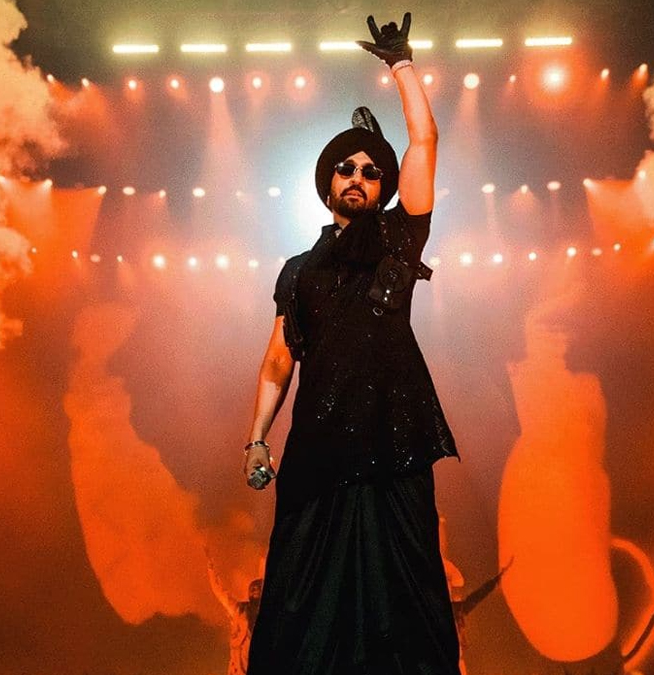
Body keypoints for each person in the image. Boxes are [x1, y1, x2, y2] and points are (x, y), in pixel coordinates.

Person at [242, 12, 462, 675]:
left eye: (371, 170)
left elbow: (424, 139)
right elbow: (278, 360)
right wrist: (257, 438)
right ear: (328, 183)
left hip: (394, 441)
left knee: (407, 600)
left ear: (384, 188)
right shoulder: (298, 271)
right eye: (346, 169)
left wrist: (402, 67)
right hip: (318, 449)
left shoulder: (398, 239)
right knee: (300, 605)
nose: (358, 176)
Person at [206, 558, 263, 675]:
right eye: (253, 588)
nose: (256, 590)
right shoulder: (239, 609)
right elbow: (220, 592)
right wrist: (211, 571)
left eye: (259, 588)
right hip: (240, 664)